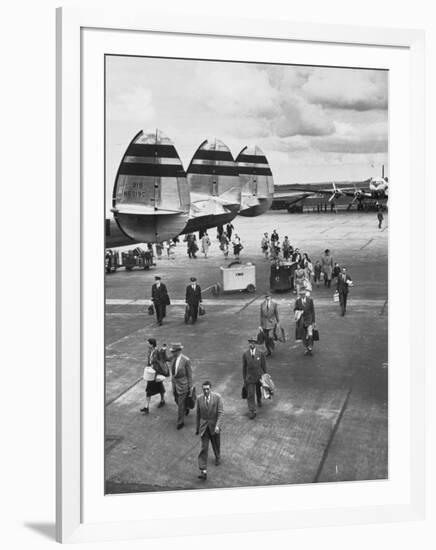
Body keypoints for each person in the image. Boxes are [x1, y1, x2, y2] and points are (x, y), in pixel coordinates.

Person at [195, 381, 224, 481]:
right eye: (204, 389)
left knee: (216, 444)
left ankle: (218, 456)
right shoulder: (199, 399)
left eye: (208, 389)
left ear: (211, 389)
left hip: (214, 426)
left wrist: (217, 426)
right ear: (202, 389)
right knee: (204, 448)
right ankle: (203, 471)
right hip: (204, 428)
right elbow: (198, 414)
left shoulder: (217, 397)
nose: (206, 391)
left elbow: (220, 413)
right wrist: (197, 428)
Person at [140, 339, 169, 414]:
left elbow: (161, 359)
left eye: (148, 343)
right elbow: (149, 361)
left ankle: (147, 407)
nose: (147, 345)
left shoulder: (156, 351)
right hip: (151, 372)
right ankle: (161, 401)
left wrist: (163, 350)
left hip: (155, 372)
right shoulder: (150, 350)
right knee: (158, 386)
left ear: (152, 344)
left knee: (150, 389)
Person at [170, 343, 193, 430]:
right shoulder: (173, 358)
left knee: (180, 404)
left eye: (173, 351)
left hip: (183, 384)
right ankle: (186, 408)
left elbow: (189, 374)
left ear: (179, 351)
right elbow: (164, 358)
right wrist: (162, 350)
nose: (172, 353)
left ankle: (180, 422)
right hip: (175, 384)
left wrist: (190, 386)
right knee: (176, 399)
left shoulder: (186, 360)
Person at [242, 337, 267, 419]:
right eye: (250, 343)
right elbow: (244, 367)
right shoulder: (245, 354)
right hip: (250, 378)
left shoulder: (260, 353)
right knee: (251, 394)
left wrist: (265, 376)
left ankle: (259, 400)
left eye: (253, 343)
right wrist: (244, 378)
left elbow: (263, 365)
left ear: (255, 344)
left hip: (259, 376)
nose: (251, 344)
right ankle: (252, 410)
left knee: (258, 390)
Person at [294, 288, 316, 356]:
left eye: (303, 294)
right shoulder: (297, 301)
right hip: (301, 321)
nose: (302, 295)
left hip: (309, 320)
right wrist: (299, 312)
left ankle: (310, 347)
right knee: (303, 336)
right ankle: (306, 348)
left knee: (310, 335)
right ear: (300, 295)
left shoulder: (310, 300)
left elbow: (312, 311)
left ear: (305, 294)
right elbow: (295, 310)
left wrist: (314, 321)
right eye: (301, 294)